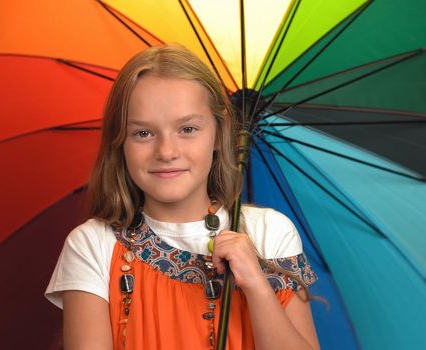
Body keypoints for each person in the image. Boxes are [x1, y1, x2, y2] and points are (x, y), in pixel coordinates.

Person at [45, 44, 320, 350]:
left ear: (219, 133)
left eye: (187, 128)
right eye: (143, 133)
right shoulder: (92, 245)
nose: (166, 152)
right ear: (119, 140)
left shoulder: (269, 233)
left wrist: (256, 284)